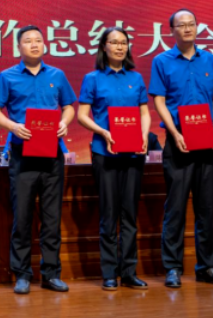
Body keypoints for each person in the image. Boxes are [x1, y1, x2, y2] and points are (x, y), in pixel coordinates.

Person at [0, 25, 76, 295]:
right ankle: (22, 275)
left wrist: (64, 122)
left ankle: (51, 274)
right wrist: (13, 126)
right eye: (28, 41)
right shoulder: (8, 76)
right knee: (23, 217)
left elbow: (69, 106)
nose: (35, 44)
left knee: (51, 218)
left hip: (52, 154)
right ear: (19, 47)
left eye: (39, 40)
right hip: (22, 154)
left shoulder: (57, 75)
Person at [148, 8, 213, 289]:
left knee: (206, 207)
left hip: (207, 141)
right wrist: (173, 132)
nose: (187, 28)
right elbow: (159, 101)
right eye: (181, 25)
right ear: (171, 30)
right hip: (179, 142)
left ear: (197, 27)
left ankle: (206, 267)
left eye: (191, 24)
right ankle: (172, 268)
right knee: (176, 207)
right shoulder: (162, 61)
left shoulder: (209, 59)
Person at [77, 26, 150, 291]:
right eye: (114, 42)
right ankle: (109, 272)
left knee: (129, 214)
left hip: (133, 153)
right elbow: (82, 115)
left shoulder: (136, 78)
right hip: (104, 153)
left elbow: (144, 112)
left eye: (124, 42)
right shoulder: (92, 78)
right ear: (103, 47)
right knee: (108, 214)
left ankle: (129, 271)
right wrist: (103, 131)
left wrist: (144, 135)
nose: (120, 47)